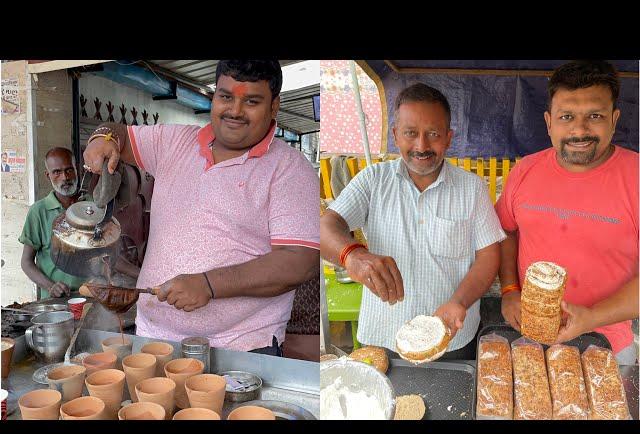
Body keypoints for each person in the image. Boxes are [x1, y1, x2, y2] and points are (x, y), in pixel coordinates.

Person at [82, 60, 319, 355]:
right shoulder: (176, 141)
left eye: (252, 101)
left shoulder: (289, 168)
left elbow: (299, 262)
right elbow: (115, 131)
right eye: (226, 96)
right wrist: (101, 138)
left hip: (240, 349)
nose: (234, 110)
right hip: (153, 340)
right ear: (214, 96)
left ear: (274, 107)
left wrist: (209, 284)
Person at [320, 83, 505, 357]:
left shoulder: (472, 188)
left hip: (452, 336)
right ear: (396, 135)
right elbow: (325, 226)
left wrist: (459, 302)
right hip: (385, 337)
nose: (421, 145)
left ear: (448, 137)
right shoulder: (373, 180)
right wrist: (352, 255)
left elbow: (489, 255)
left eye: (433, 134)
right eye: (410, 133)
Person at [496, 60, 639, 364]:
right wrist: (509, 289)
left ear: (614, 120)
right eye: (567, 116)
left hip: (608, 345)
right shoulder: (525, 171)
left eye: (595, 116)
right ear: (549, 122)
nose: (579, 129)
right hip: (532, 336)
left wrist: (591, 317)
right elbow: (505, 230)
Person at [18, 148, 139, 298]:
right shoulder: (38, 212)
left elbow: (109, 254)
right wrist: (51, 286)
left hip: (92, 295)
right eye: (57, 172)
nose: (65, 177)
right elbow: (26, 262)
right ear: (48, 176)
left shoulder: (93, 206)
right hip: (56, 302)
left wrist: (142, 275)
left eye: (69, 170)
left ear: (78, 171)